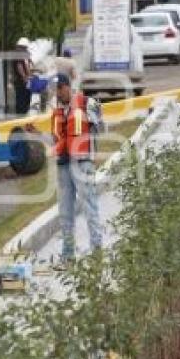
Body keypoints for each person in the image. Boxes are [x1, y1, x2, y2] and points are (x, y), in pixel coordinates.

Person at [52, 73, 103, 268]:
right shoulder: (57, 111)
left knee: (90, 206)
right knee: (65, 211)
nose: (57, 93)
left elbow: (99, 127)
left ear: (67, 87)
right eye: (55, 90)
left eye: (60, 89)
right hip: (63, 164)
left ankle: (97, 252)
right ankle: (68, 256)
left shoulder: (85, 103)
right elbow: (56, 138)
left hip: (82, 162)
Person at [13, 37, 33, 115]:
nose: (26, 49)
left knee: (26, 100)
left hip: (25, 81)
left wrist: (31, 74)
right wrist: (25, 77)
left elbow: (29, 65)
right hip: (21, 82)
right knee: (22, 101)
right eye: (25, 48)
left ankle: (23, 114)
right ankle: (21, 116)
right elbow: (19, 66)